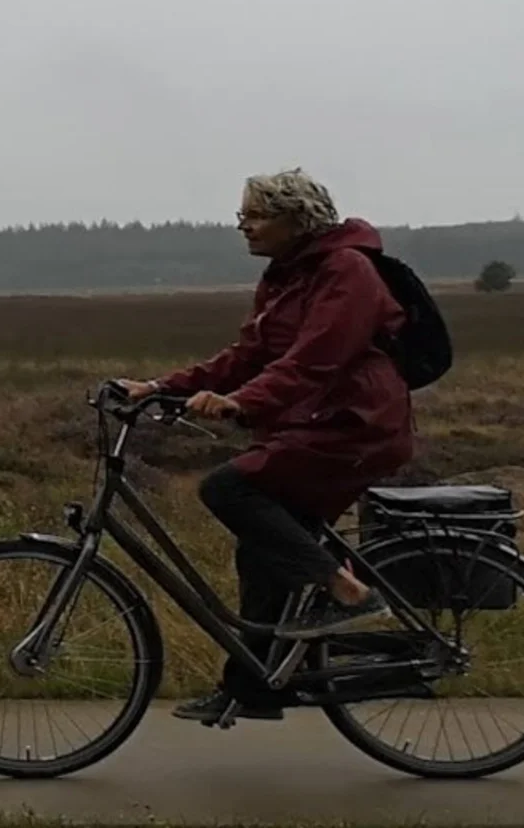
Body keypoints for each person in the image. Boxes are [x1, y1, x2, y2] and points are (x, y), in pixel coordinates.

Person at [118, 168, 414, 723]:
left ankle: (344, 590)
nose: (244, 227)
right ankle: (255, 686)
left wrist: (241, 402)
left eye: (254, 216)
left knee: (229, 489)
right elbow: (246, 354)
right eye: (241, 216)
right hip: (313, 424)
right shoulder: (285, 277)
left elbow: (316, 360)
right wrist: (160, 387)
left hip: (356, 426)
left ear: (295, 220)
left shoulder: (346, 271)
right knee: (262, 550)